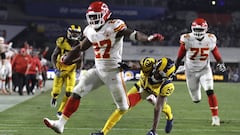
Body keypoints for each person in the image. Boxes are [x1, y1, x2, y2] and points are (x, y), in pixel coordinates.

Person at [43, 1, 164, 134]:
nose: (93, 19)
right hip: (98, 70)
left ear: (105, 15)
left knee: (124, 107)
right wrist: (68, 58)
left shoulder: (114, 26)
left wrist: (148, 38)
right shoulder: (89, 30)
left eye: (96, 16)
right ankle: (60, 124)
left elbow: (133, 34)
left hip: (113, 72)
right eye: (92, 17)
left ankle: (144, 94)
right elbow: (81, 47)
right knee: (77, 92)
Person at [91, 57, 175, 135]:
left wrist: (153, 130)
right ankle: (103, 132)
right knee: (123, 107)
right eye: (157, 72)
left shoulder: (167, 85)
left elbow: (158, 108)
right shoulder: (149, 64)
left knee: (162, 107)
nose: (157, 76)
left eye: (160, 76)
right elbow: (138, 65)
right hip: (140, 86)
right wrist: (128, 66)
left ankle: (170, 117)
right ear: (156, 66)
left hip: (153, 92)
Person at [175, 18, 226, 126]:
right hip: (190, 71)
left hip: (204, 69)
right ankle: (184, 70)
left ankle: (215, 117)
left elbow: (216, 52)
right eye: (196, 30)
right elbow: (180, 55)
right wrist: (175, 67)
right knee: (196, 99)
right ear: (192, 29)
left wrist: (221, 63)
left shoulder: (210, 39)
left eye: (200, 30)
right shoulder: (187, 38)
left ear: (205, 29)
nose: (198, 32)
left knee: (210, 90)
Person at [49, 24, 84, 118]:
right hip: (60, 70)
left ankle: (61, 110)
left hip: (71, 71)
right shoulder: (62, 42)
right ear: (69, 33)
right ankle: (54, 97)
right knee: (56, 91)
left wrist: (78, 71)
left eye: (77, 34)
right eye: (73, 33)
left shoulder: (80, 45)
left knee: (69, 91)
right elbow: (54, 55)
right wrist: (55, 68)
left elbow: (81, 60)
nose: (75, 35)